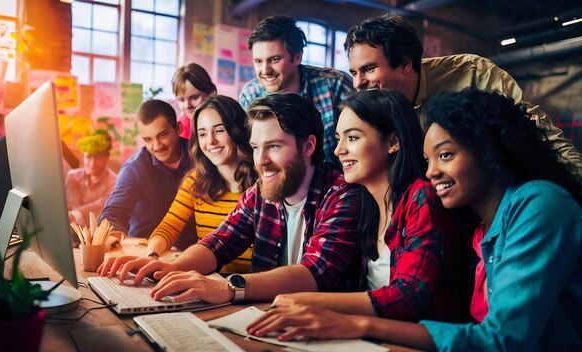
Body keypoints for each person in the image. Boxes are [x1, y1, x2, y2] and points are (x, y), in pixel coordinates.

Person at [247, 89, 582, 351]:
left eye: (446, 155)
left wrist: (353, 322)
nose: (433, 171)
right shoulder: (480, 228)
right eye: (428, 159)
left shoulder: (539, 203)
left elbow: (502, 339)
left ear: (488, 149)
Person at [101, 92, 361, 306]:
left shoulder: (342, 195)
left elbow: (313, 273)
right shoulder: (260, 193)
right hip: (266, 316)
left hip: (321, 326)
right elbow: (219, 242)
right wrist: (171, 267)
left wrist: (228, 287)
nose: (261, 161)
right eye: (257, 147)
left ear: (308, 146)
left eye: (273, 146)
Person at [257, 89, 472, 322]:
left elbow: (408, 297)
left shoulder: (422, 197)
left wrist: (304, 301)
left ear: (393, 141)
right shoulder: (363, 203)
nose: (339, 150)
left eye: (352, 137)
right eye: (339, 138)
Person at [344, 14, 582, 172]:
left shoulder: (473, 74)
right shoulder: (369, 109)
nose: (358, 83)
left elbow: (541, 138)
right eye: (353, 73)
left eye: (369, 69)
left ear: (406, 63)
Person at [99, 95, 257, 274]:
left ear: (236, 130)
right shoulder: (196, 180)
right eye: (203, 134)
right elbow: (169, 226)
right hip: (207, 276)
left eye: (219, 130)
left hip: (252, 283)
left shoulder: (262, 186)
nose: (210, 141)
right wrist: (151, 257)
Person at [239, 15, 355, 167]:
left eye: (274, 60)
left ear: (297, 57)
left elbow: (359, 140)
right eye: (258, 61)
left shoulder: (334, 84)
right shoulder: (250, 96)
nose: (265, 70)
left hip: (336, 182)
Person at [98, 99, 195, 242]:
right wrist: (112, 239)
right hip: (144, 250)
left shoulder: (199, 158)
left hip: (193, 253)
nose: (157, 146)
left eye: (162, 135)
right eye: (148, 139)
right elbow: (113, 214)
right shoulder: (135, 169)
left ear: (178, 128)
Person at [65, 129, 117, 228]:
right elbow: (69, 203)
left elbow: (100, 205)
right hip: (72, 231)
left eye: (98, 157)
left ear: (107, 157)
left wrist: (74, 215)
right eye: (88, 157)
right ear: (82, 156)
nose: (92, 163)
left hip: (98, 234)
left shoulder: (115, 181)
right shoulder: (72, 176)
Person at [172, 63, 217, 139]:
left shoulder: (223, 118)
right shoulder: (180, 128)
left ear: (211, 93)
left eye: (194, 98)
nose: (187, 105)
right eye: (181, 100)